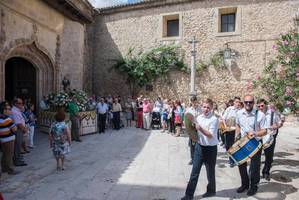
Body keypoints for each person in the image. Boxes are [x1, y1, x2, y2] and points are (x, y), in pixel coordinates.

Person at [181, 99, 219, 200]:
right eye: (204, 107)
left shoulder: (214, 119)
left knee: (210, 172)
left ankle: (211, 191)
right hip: (199, 148)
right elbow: (193, 130)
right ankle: (188, 195)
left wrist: (200, 129)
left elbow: (210, 135)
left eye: (208, 107)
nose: (206, 109)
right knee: (194, 172)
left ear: (211, 108)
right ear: (201, 107)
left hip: (211, 149)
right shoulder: (199, 117)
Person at [235, 94, 267, 196]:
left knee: (254, 167)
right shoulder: (239, 113)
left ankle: (253, 186)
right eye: (246, 102)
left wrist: (256, 133)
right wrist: (237, 136)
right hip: (243, 142)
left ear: (254, 103)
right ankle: (244, 184)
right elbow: (238, 125)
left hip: (255, 142)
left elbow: (265, 131)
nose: (248, 104)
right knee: (241, 164)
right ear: (243, 103)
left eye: (250, 102)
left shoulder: (260, 115)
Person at [256, 99, 283, 181]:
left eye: (262, 106)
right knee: (257, 157)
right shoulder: (256, 114)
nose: (260, 107)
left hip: (270, 137)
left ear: (265, 105)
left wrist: (277, 126)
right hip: (259, 137)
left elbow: (280, 122)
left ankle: (266, 172)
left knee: (269, 156)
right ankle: (255, 174)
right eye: (259, 106)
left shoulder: (272, 112)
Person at [0, 102, 19, 175]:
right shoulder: (7, 119)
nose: (10, 111)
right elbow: (14, 129)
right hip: (8, 139)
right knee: (9, 155)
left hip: (3, 139)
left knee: (5, 154)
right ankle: (10, 170)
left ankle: (4, 168)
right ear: (4, 110)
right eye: (8, 109)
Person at [222, 97, 241, 167]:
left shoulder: (241, 110)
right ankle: (232, 158)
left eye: (239, 102)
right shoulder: (229, 109)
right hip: (229, 130)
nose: (238, 103)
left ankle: (232, 160)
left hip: (236, 131)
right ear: (234, 102)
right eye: (236, 102)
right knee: (228, 146)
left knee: (235, 146)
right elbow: (223, 118)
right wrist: (225, 126)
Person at [185, 96, 202, 165]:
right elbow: (186, 119)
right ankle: (192, 158)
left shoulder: (200, 109)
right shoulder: (189, 110)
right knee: (192, 145)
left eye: (195, 102)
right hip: (192, 128)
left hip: (199, 128)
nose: (194, 104)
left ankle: (199, 158)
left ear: (196, 101)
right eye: (192, 102)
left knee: (200, 143)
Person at [11, 98, 28, 166]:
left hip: (20, 130)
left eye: (22, 103)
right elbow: (18, 123)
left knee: (19, 144)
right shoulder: (14, 111)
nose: (22, 104)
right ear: (16, 104)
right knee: (17, 146)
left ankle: (18, 158)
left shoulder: (17, 110)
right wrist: (24, 129)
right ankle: (17, 161)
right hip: (18, 130)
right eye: (20, 103)